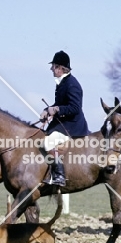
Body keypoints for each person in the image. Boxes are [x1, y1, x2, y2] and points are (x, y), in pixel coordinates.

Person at [39, 51, 90, 186]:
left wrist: (56, 109)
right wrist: (47, 111)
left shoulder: (72, 84)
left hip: (72, 126)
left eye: (53, 66)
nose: (51, 69)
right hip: (63, 123)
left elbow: (75, 108)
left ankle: (60, 176)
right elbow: (60, 104)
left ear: (61, 68)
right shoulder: (62, 82)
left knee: (47, 143)